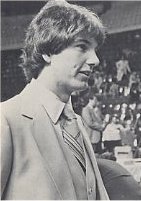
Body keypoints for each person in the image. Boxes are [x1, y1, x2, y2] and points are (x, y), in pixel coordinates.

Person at [1, 1, 109, 199]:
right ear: (47, 51)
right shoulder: (6, 119)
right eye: (82, 46)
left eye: (94, 50)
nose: (95, 60)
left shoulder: (75, 122)